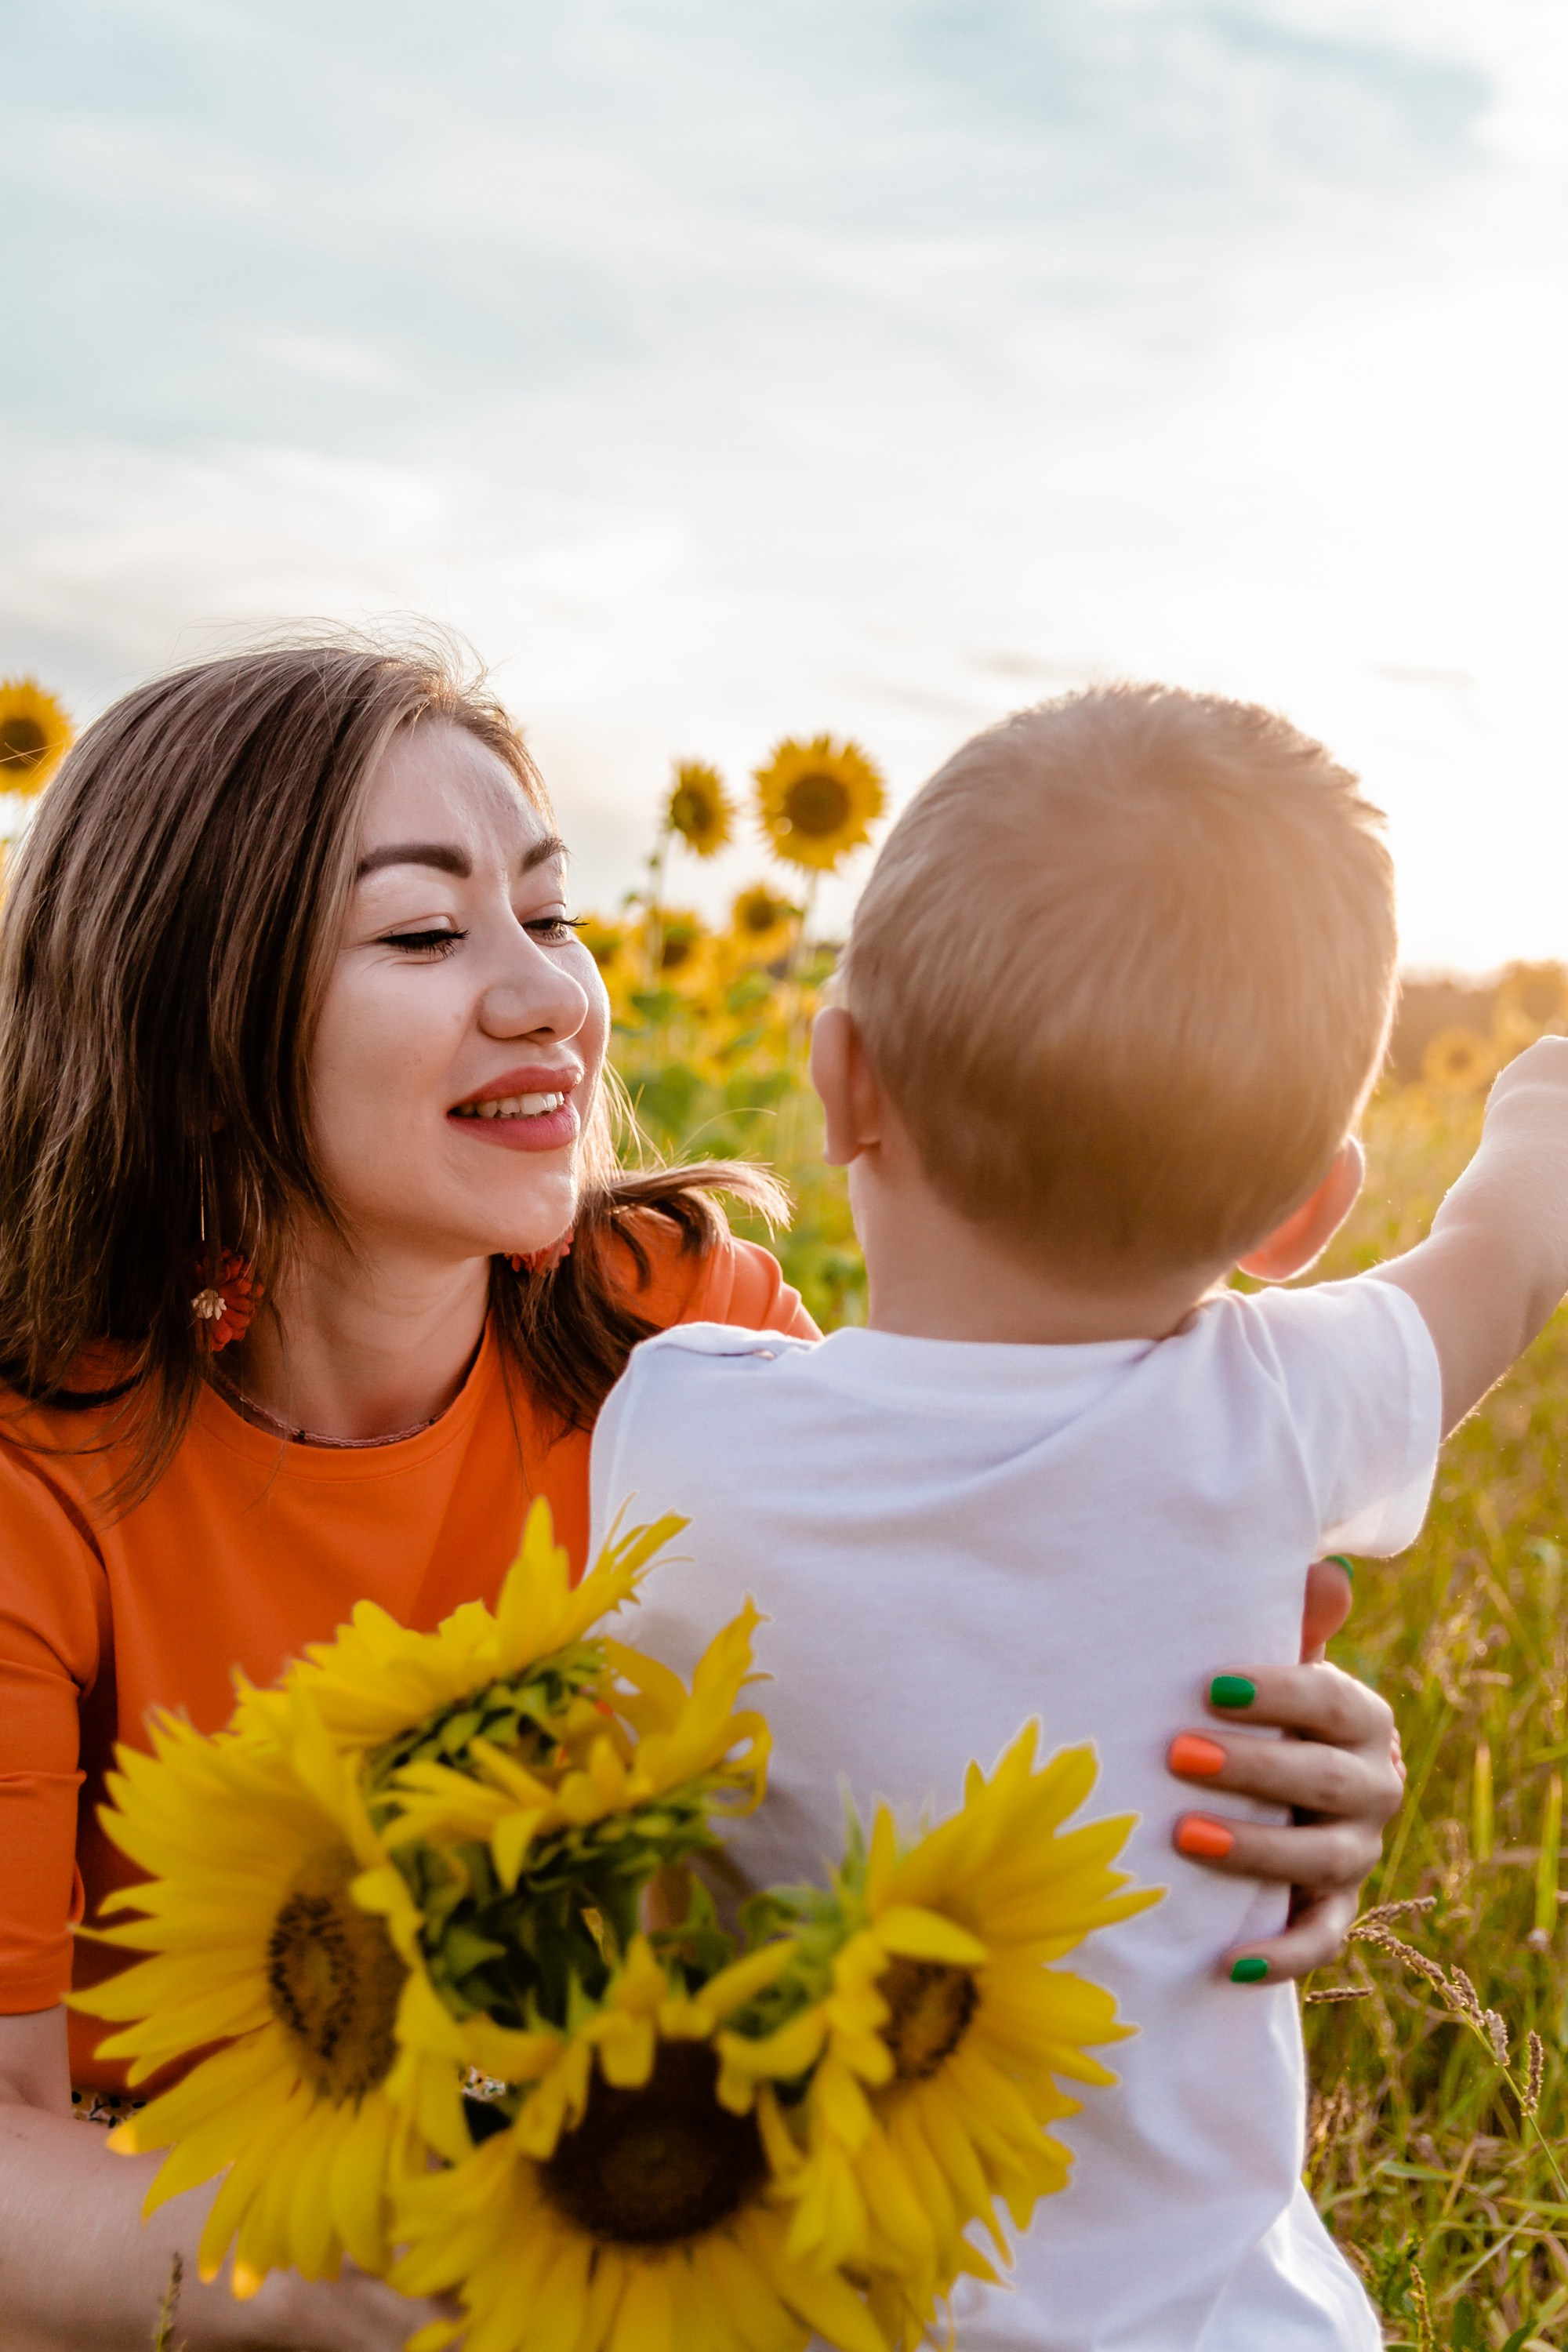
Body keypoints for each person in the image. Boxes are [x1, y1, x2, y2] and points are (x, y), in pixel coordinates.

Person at [0, 646, 1399, 2352]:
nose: (549, 996)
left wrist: (1253, 1771)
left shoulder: (686, 1332)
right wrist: (330, 2268)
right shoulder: (38, 1476)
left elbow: (970, 1679)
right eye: (426, 933)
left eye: (551, 915)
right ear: (187, 1023)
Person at [589, 685, 1568, 2349]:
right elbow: (1509, 1255)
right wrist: (1540, 1103)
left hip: (792, 2299)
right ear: (1306, 1218)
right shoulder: (1275, 1408)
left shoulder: (675, 1420)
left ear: (840, 1081)